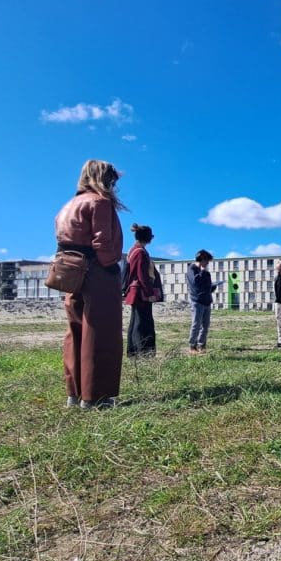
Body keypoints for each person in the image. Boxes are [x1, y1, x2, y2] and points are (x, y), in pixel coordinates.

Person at [55, 159, 124, 409]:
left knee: (75, 331)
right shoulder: (99, 202)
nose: (114, 186)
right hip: (97, 270)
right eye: (112, 181)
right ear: (104, 179)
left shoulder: (68, 205)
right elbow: (103, 242)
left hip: (71, 271)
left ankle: (75, 393)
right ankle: (97, 396)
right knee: (100, 332)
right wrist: (111, 266)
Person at [124, 223, 160, 357]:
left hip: (136, 292)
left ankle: (133, 352)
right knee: (143, 322)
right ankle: (143, 352)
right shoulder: (140, 252)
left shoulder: (133, 250)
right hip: (141, 292)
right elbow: (142, 274)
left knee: (136, 321)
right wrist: (149, 293)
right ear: (148, 238)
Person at [187, 249, 215, 353]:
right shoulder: (192, 269)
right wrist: (203, 271)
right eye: (207, 261)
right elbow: (196, 282)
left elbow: (207, 285)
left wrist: (212, 287)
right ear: (201, 259)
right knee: (196, 324)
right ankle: (192, 346)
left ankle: (201, 345)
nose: (208, 263)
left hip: (207, 300)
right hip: (197, 301)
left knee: (205, 325)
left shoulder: (206, 272)